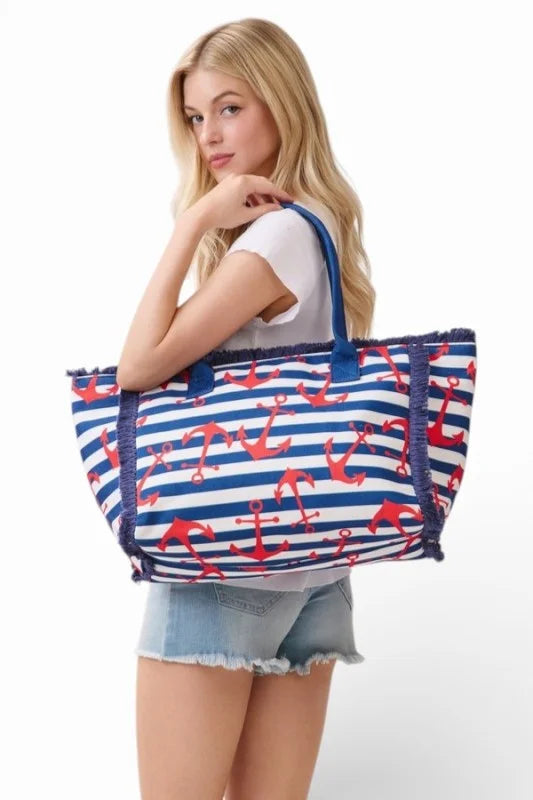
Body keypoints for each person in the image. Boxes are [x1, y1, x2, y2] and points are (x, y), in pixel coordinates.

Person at [116, 16, 375, 800]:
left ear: (282, 102)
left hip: (223, 558)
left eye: (229, 108)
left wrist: (193, 221)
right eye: (196, 118)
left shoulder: (275, 236)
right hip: (316, 569)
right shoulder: (326, 224)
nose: (209, 137)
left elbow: (138, 368)